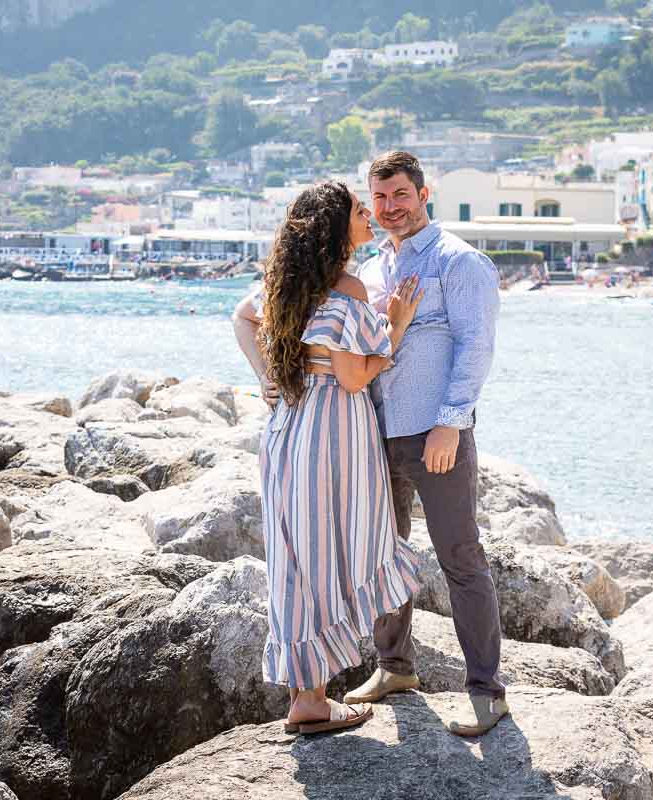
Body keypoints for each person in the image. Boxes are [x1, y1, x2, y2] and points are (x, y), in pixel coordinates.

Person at [231, 180, 423, 735]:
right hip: (334, 429)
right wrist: (397, 326)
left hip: (288, 426)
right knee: (341, 547)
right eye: (361, 211)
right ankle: (311, 699)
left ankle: (307, 695)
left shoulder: (285, 283)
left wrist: (268, 377)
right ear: (339, 228)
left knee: (297, 558)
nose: (371, 216)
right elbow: (353, 374)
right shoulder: (348, 288)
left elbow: (243, 318)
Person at [340, 151, 509, 737]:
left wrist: (451, 422)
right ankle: (394, 667)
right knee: (381, 555)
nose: (390, 209)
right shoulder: (371, 270)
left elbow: (475, 346)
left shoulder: (459, 261)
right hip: (375, 434)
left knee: (461, 559)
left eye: (400, 196)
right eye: (380, 198)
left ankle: (487, 691)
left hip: (436, 434)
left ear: (424, 193)